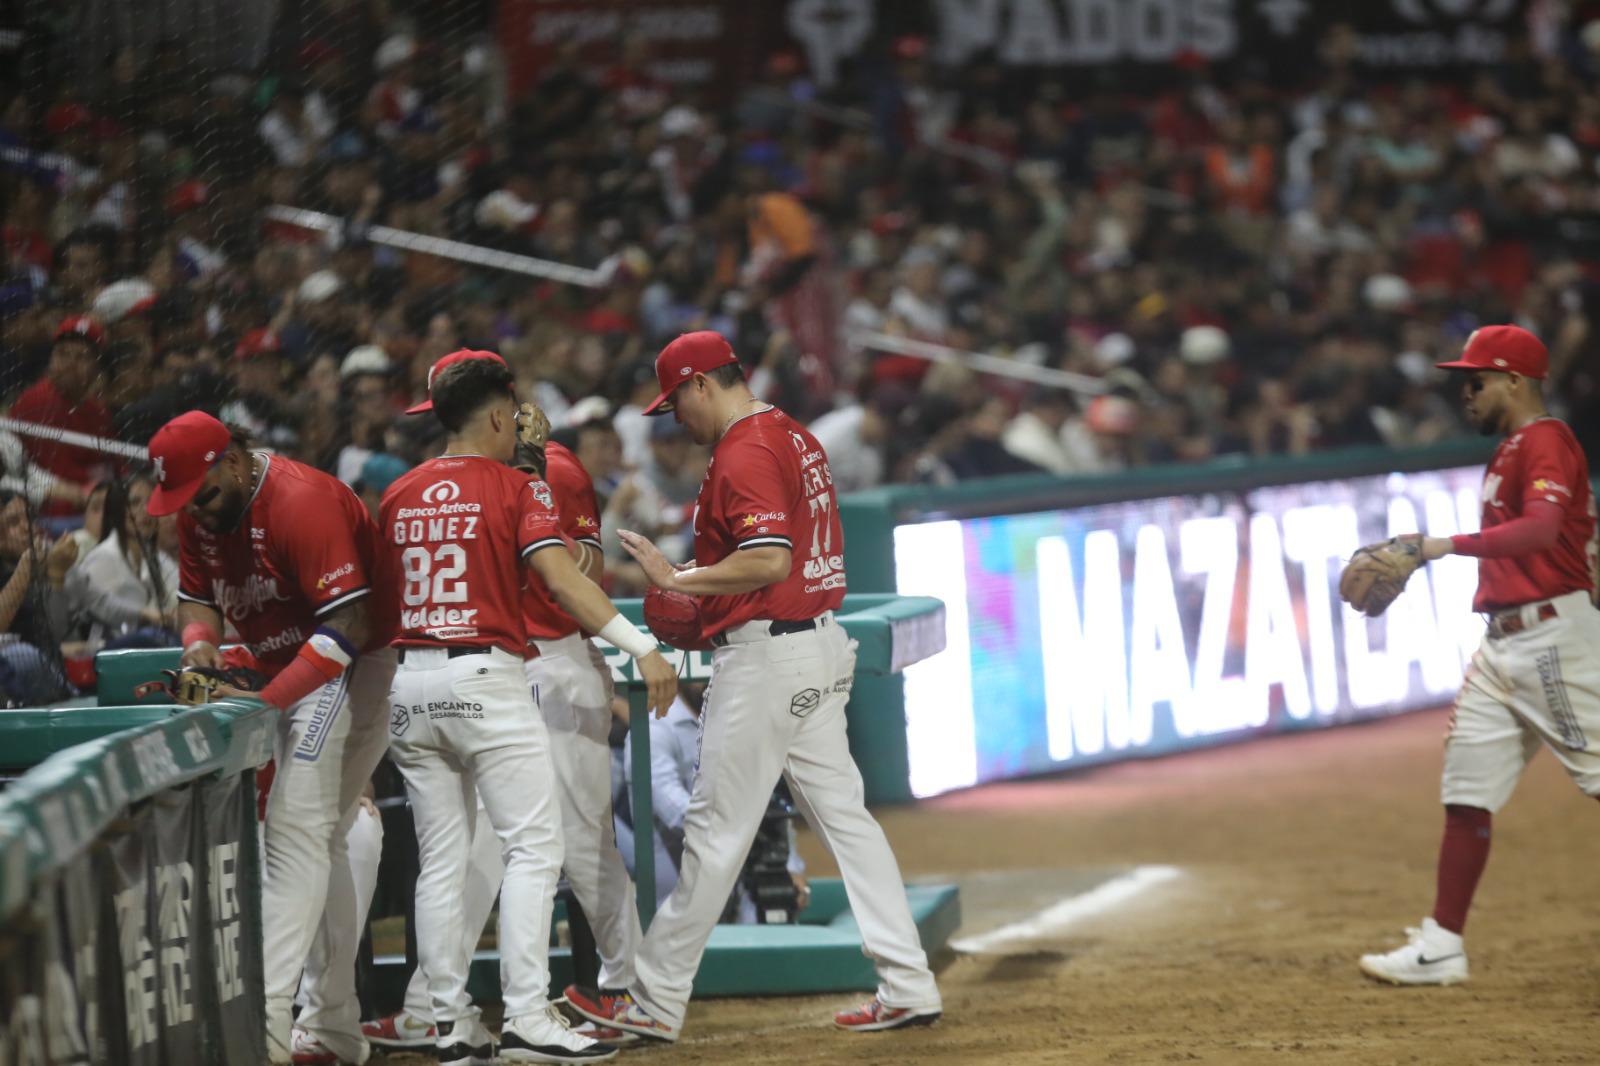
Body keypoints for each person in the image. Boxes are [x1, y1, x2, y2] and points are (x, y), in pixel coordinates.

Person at [564, 331, 942, 1040]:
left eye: (676, 401)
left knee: (714, 832)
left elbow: (769, 559)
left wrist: (681, 581)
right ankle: (908, 982)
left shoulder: (745, 448)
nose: (675, 417)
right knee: (848, 824)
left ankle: (652, 1000)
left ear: (703, 383)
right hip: (816, 648)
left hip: (770, 660)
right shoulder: (793, 433)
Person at [378, 349, 676, 1066]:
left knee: (443, 863)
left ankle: (450, 1025)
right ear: (493, 414)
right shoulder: (514, 487)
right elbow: (566, 584)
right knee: (535, 849)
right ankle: (526, 1018)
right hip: (485, 676)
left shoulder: (397, 492)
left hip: (408, 683)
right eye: (510, 415)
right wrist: (641, 646)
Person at [146, 411, 400, 1065]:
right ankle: (337, 1026)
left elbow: (351, 621)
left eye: (201, 497)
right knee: (324, 836)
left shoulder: (301, 499)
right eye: (182, 504)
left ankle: (259, 1028)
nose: (195, 514)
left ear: (232, 461)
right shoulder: (199, 509)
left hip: (353, 661)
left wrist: (265, 701)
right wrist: (200, 648)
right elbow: (195, 596)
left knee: (295, 831)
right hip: (280, 667)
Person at [1358, 325, 1600, 986]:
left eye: (1477, 380)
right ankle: (1441, 944)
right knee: (1467, 790)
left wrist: (1438, 546)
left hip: (1552, 639)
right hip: (1504, 646)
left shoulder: (1545, 438)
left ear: (1515, 383)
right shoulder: (1512, 448)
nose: (1464, 393)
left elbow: (1543, 528)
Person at [7, 316, 115, 513]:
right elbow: (59, 474)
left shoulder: (97, 411)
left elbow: (114, 464)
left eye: (81, 357)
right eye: (63, 354)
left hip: (90, 504)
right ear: (51, 359)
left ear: (96, 367)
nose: (70, 364)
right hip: (45, 511)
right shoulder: (38, 401)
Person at [65, 473, 178, 648]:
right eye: (134, 503)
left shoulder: (160, 559)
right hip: (111, 649)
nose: (145, 510)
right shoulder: (102, 558)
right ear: (118, 511)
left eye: (151, 501)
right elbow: (101, 613)